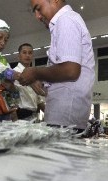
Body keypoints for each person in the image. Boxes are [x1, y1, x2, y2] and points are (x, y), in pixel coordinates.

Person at [18, 0, 95, 133]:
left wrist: (36, 72)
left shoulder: (66, 20)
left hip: (65, 119)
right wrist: (43, 82)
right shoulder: (66, 21)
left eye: (38, 8)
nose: (37, 16)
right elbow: (66, 71)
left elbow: (71, 70)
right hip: (65, 117)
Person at [13, 43, 46, 121]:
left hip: (34, 116)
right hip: (20, 116)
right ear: (19, 56)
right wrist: (15, 121)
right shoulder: (14, 73)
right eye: (24, 52)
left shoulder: (35, 76)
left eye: (30, 53)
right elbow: (10, 100)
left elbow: (40, 102)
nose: (27, 55)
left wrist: (41, 120)